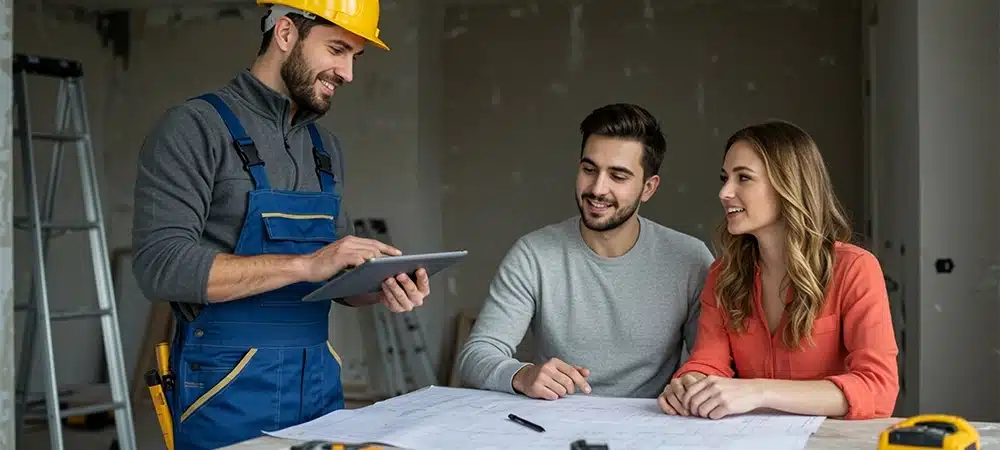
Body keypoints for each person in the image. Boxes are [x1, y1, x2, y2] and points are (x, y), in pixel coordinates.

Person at [130, 1, 431, 448]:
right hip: (224, 385)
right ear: (286, 34)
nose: (347, 73)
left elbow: (332, 273)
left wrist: (377, 284)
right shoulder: (194, 127)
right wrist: (305, 264)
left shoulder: (325, 147)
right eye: (337, 49)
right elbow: (162, 266)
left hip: (319, 382)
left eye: (354, 57)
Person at [456, 103, 715, 401]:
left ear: (648, 188)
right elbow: (475, 356)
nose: (597, 188)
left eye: (618, 176)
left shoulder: (690, 259)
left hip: (652, 425)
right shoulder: (534, 254)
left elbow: (710, 361)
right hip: (555, 426)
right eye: (589, 169)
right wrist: (522, 374)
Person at [658, 120, 899, 421]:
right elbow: (708, 362)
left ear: (788, 186)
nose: (724, 192)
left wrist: (760, 391)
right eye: (725, 178)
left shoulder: (855, 269)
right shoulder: (723, 274)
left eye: (743, 178)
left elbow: (878, 389)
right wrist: (689, 383)